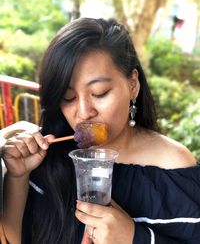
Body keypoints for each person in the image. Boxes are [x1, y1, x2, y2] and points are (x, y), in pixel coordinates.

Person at [1, 17, 200, 244]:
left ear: (133, 85)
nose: (84, 112)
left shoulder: (173, 166)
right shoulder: (47, 159)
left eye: (99, 92)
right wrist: (18, 177)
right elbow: (14, 238)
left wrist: (134, 237)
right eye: (69, 98)